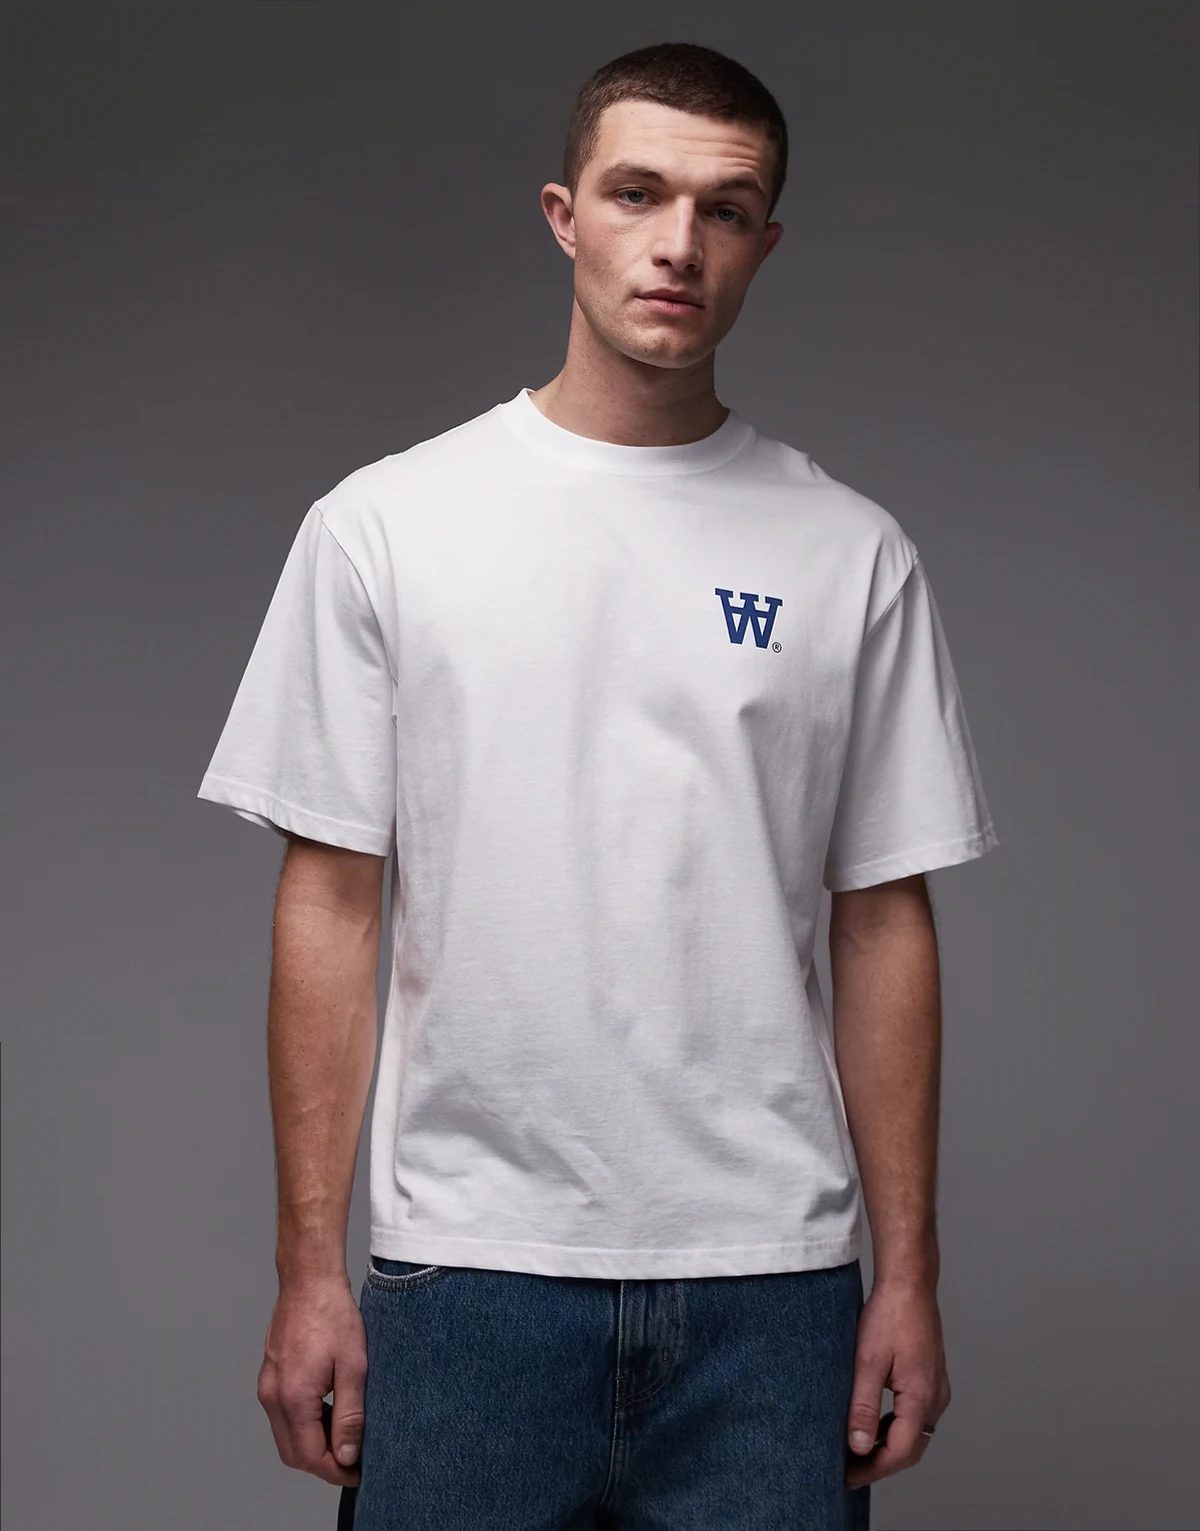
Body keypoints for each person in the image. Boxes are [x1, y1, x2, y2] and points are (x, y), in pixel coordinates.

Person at [197, 40, 998, 1531]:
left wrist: (911, 1277)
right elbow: (332, 905)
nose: (678, 243)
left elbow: (883, 922)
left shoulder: (850, 552)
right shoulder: (387, 526)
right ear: (565, 216)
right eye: (639, 194)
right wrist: (309, 1270)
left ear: (765, 243)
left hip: (776, 1289)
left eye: (724, 208)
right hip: (469, 1277)